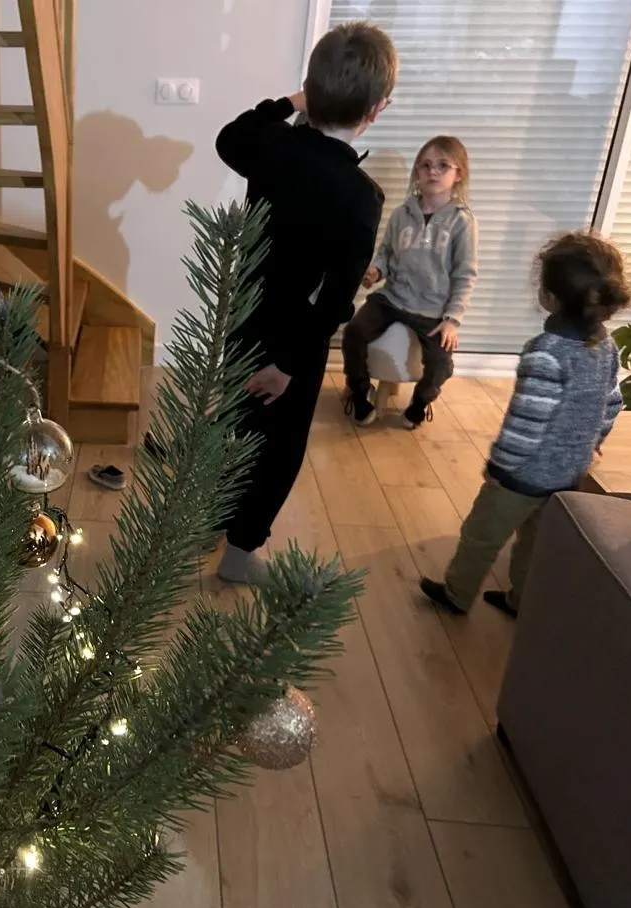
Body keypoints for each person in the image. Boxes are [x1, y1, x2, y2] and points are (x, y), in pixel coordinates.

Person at [212, 21, 396, 584]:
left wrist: (291, 101)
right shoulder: (361, 195)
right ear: (377, 109)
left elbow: (230, 136)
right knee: (278, 449)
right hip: (296, 339)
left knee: (233, 421)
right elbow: (337, 296)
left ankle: (206, 516)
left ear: (309, 91)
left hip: (245, 315)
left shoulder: (271, 145)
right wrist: (290, 364)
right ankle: (239, 554)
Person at [420, 232, 629, 618]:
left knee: (481, 535)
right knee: (535, 542)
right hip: (570, 472)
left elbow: (526, 423)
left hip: (522, 477)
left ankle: (456, 595)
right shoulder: (607, 348)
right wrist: (593, 444)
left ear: (548, 296)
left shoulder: (546, 353)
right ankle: (520, 601)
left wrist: (499, 469)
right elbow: (613, 403)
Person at [343, 136, 479, 428]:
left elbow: (465, 274)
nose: (433, 172)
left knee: (441, 362)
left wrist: (452, 319)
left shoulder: (462, 222)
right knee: (353, 331)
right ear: (417, 172)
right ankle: (359, 391)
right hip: (392, 298)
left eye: (443, 166)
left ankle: (420, 403)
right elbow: (386, 252)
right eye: (425, 165)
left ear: (459, 174)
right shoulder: (401, 214)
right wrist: (376, 271)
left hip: (432, 309)